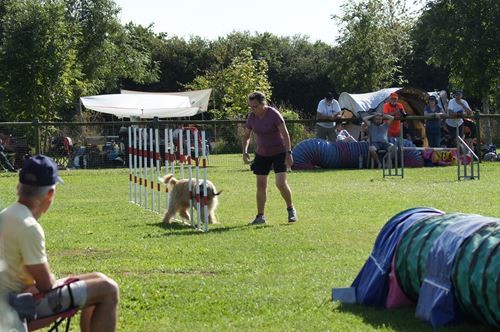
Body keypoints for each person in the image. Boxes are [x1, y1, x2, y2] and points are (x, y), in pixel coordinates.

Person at [0, 155, 119, 332]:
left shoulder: (6, 214)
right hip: (16, 308)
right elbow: (46, 285)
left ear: (19, 187)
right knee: (108, 289)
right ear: (50, 194)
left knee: (98, 278)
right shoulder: (29, 227)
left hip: (11, 298)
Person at [242, 92, 297, 225]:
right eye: (250, 107)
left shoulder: (273, 114)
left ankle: (291, 209)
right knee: (261, 185)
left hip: (279, 152)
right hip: (261, 154)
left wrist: (288, 153)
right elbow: (246, 135)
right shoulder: (252, 117)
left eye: (254, 106)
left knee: (280, 183)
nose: (252, 109)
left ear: (263, 104)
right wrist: (244, 151)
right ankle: (260, 216)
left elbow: (285, 134)